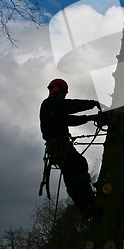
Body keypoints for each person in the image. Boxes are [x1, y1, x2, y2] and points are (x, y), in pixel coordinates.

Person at [40, 78, 101, 219]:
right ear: (57, 90)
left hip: (60, 145)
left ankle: (88, 204)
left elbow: (70, 120)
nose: (64, 97)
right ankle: (88, 205)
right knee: (75, 171)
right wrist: (93, 104)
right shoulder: (50, 103)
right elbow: (71, 106)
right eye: (63, 94)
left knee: (76, 169)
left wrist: (91, 117)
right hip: (59, 146)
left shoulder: (55, 108)